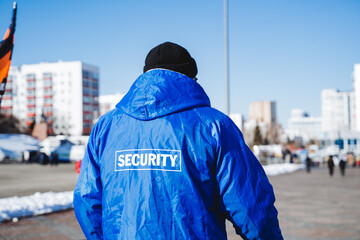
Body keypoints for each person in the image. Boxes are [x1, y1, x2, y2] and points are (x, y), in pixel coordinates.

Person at [73, 42, 283, 239]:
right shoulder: (214, 126)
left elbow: (86, 198)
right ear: (191, 79)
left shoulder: (106, 126)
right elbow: (251, 206)